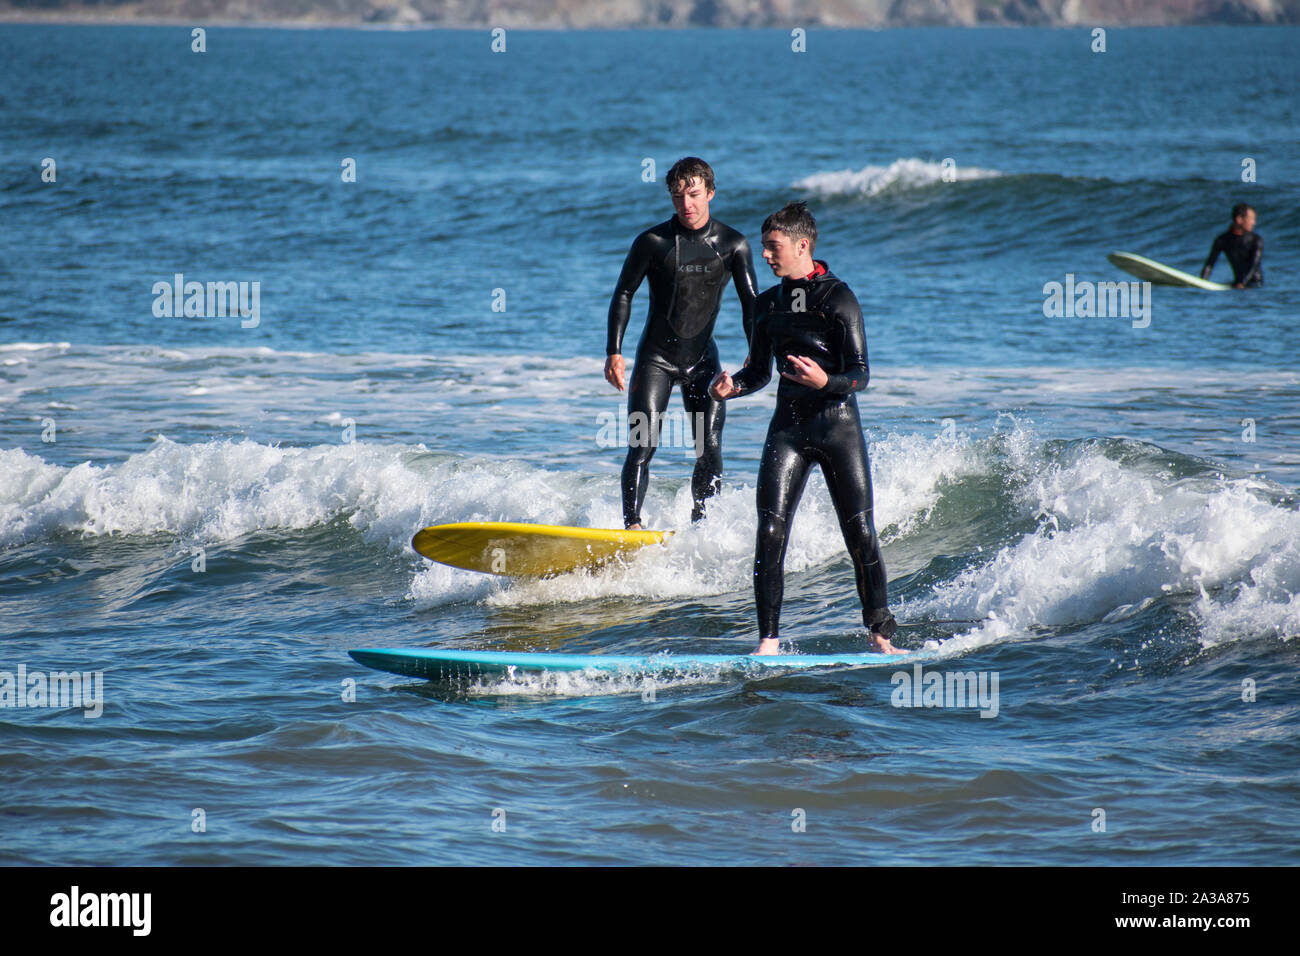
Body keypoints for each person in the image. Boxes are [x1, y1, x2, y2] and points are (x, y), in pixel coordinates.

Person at [711, 202, 901, 656]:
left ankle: (880, 635)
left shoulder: (838, 299)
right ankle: (768, 642)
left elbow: (861, 374)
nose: (767, 257)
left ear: (802, 245)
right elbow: (758, 371)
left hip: (838, 429)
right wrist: (732, 385)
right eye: (764, 248)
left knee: (859, 533)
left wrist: (826, 382)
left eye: (774, 248)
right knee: (770, 532)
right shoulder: (767, 305)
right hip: (789, 431)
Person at [605, 157, 758, 529]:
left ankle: (702, 527)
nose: (685, 204)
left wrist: (757, 356)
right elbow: (624, 292)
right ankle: (633, 527)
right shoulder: (652, 242)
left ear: (710, 193)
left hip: (702, 362)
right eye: (677, 196)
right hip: (655, 360)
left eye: (693, 194)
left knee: (709, 449)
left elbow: (752, 305)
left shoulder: (733, 244)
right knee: (642, 446)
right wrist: (614, 351)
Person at [1201, 204, 1263, 288]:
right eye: (1251, 219)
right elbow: (1210, 264)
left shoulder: (1256, 240)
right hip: (1237, 284)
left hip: (1255, 286)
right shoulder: (1223, 240)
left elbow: (1253, 264)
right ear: (1239, 219)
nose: (1254, 223)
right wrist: (1202, 282)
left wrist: (1242, 282)